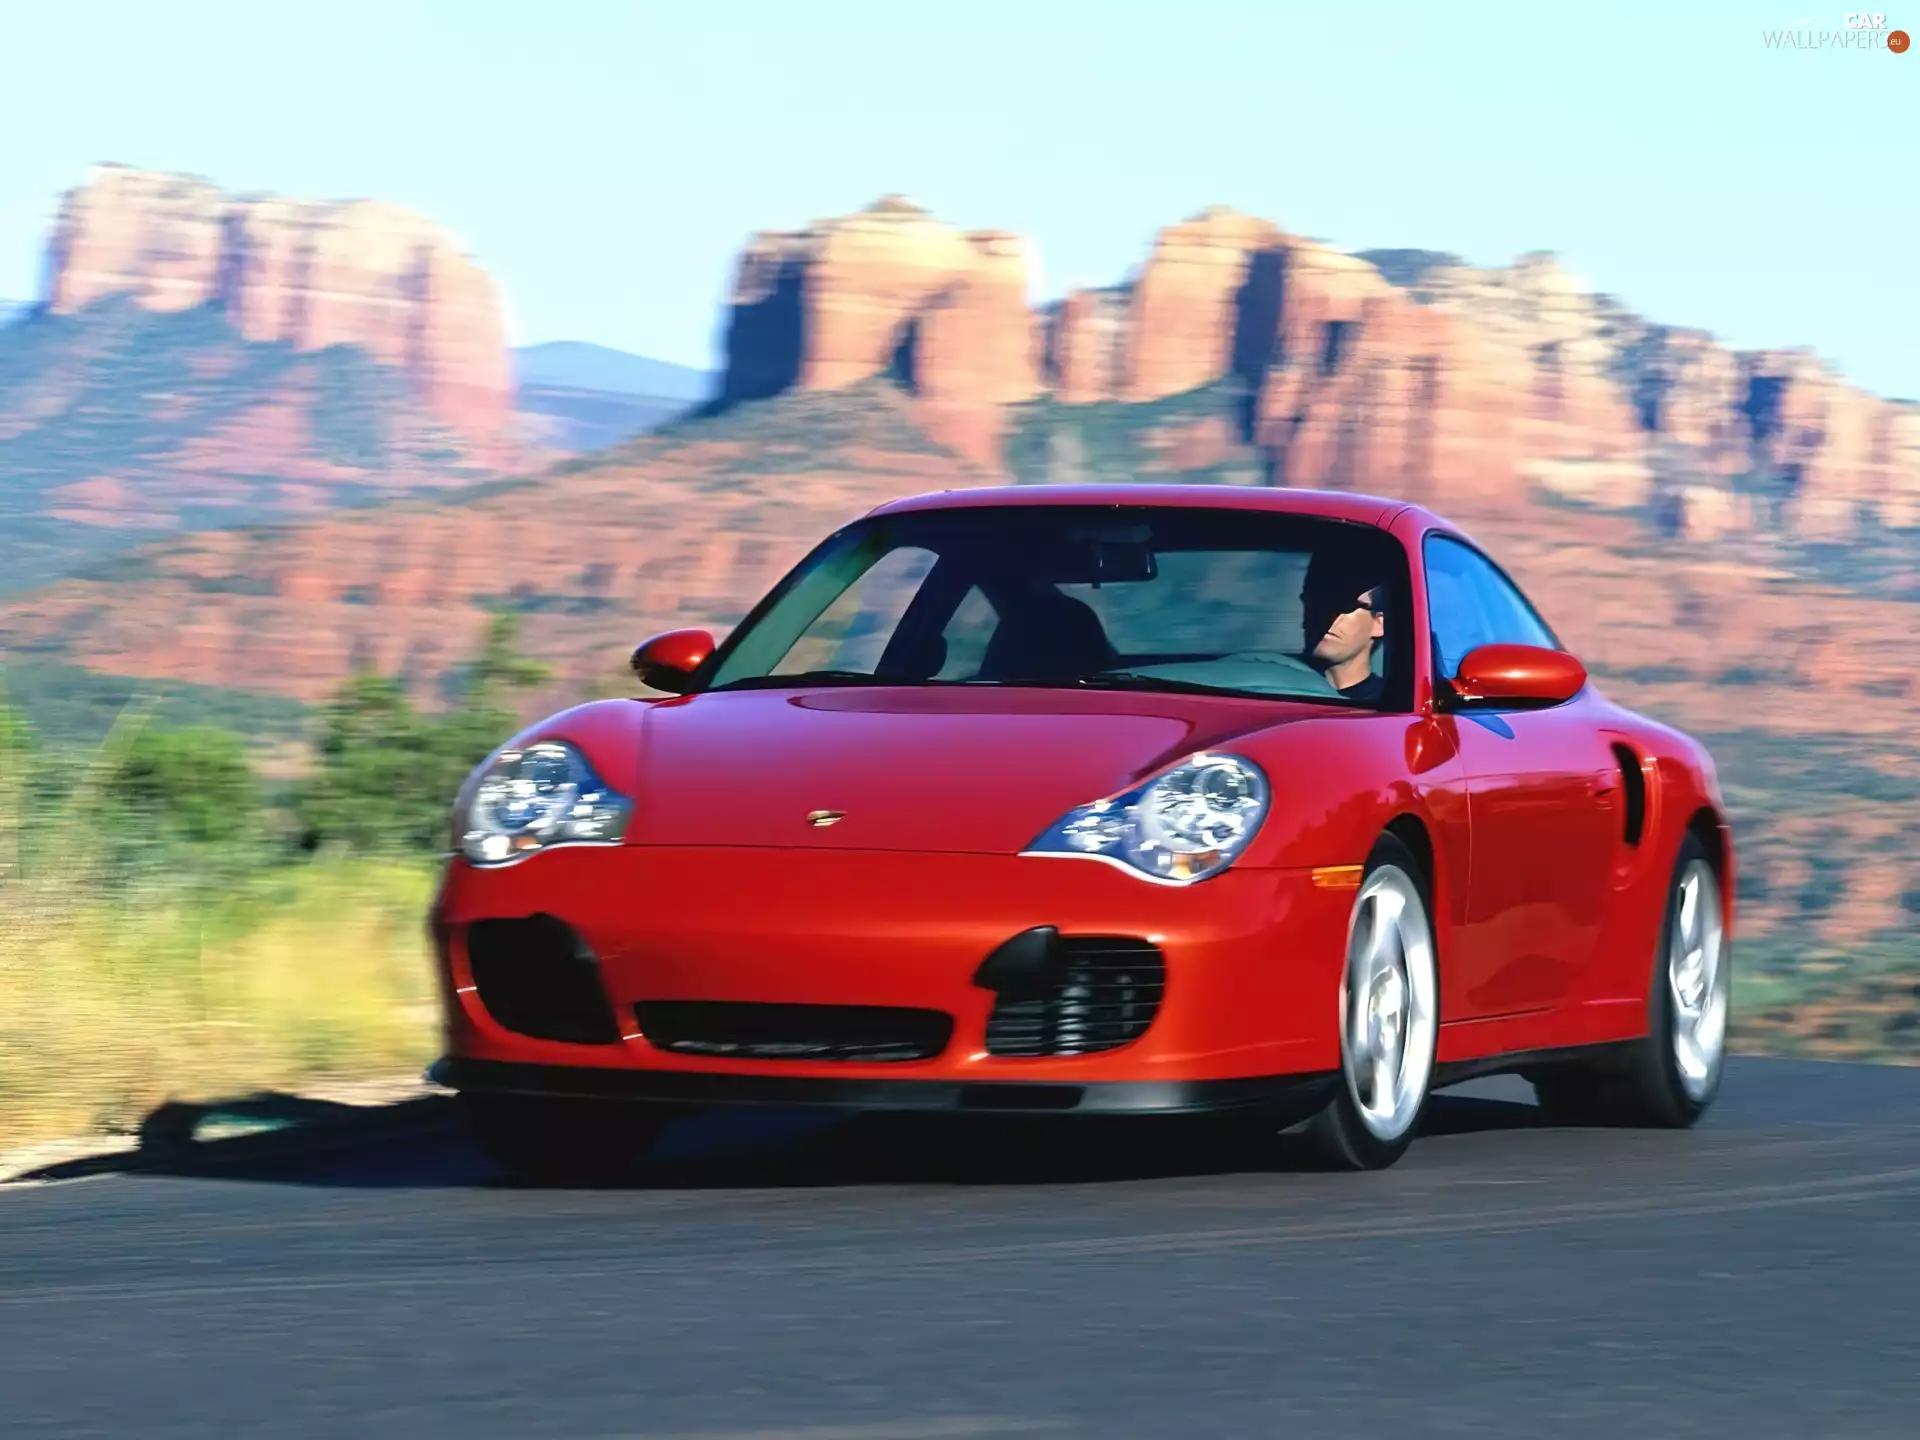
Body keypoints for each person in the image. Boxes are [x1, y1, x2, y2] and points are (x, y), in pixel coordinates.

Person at [1301, 549, 1388, 702]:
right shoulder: (1268, 683)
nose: (1327, 614)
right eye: (1317, 600)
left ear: (1379, 623)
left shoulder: (1391, 705)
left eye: (1344, 604)